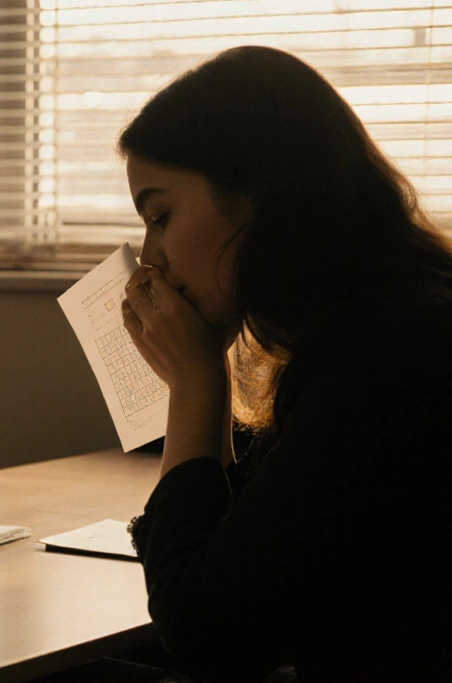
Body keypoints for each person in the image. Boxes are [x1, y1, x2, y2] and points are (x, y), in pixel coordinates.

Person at [119, 46, 452, 681]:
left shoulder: (389, 355)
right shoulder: (390, 319)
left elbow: (206, 630)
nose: (149, 258)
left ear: (257, 194)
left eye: (160, 216)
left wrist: (194, 386)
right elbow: (239, 555)